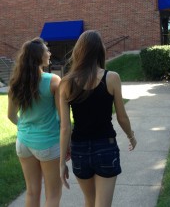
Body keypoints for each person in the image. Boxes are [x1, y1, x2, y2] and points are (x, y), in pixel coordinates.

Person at [59, 30, 137, 207]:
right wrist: (131, 136)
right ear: (100, 50)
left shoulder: (66, 82)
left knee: (89, 201)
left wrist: (61, 161)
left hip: (79, 149)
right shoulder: (112, 78)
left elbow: (65, 128)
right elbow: (122, 117)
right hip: (106, 147)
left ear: (79, 51)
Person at [7, 37, 62, 207]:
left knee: (32, 192)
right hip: (48, 143)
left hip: (23, 143)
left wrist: (25, 128)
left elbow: (11, 116)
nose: (49, 52)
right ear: (39, 56)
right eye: (47, 50)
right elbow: (63, 117)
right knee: (53, 195)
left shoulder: (16, 83)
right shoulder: (53, 81)